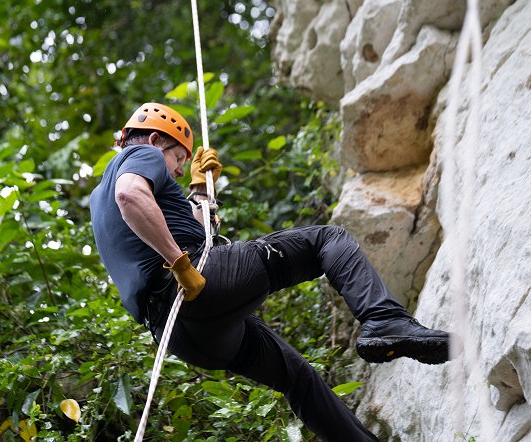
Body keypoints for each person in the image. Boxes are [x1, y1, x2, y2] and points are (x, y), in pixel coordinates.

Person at [88, 102, 452, 441]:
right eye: (179, 158)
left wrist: (199, 189)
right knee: (326, 240)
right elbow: (131, 196)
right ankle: (385, 320)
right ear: (154, 140)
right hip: (196, 285)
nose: (180, 169)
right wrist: (181, 264)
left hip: (186, 335)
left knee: (298, 377)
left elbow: (184, 228)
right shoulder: (143, 154)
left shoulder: (96, 198)